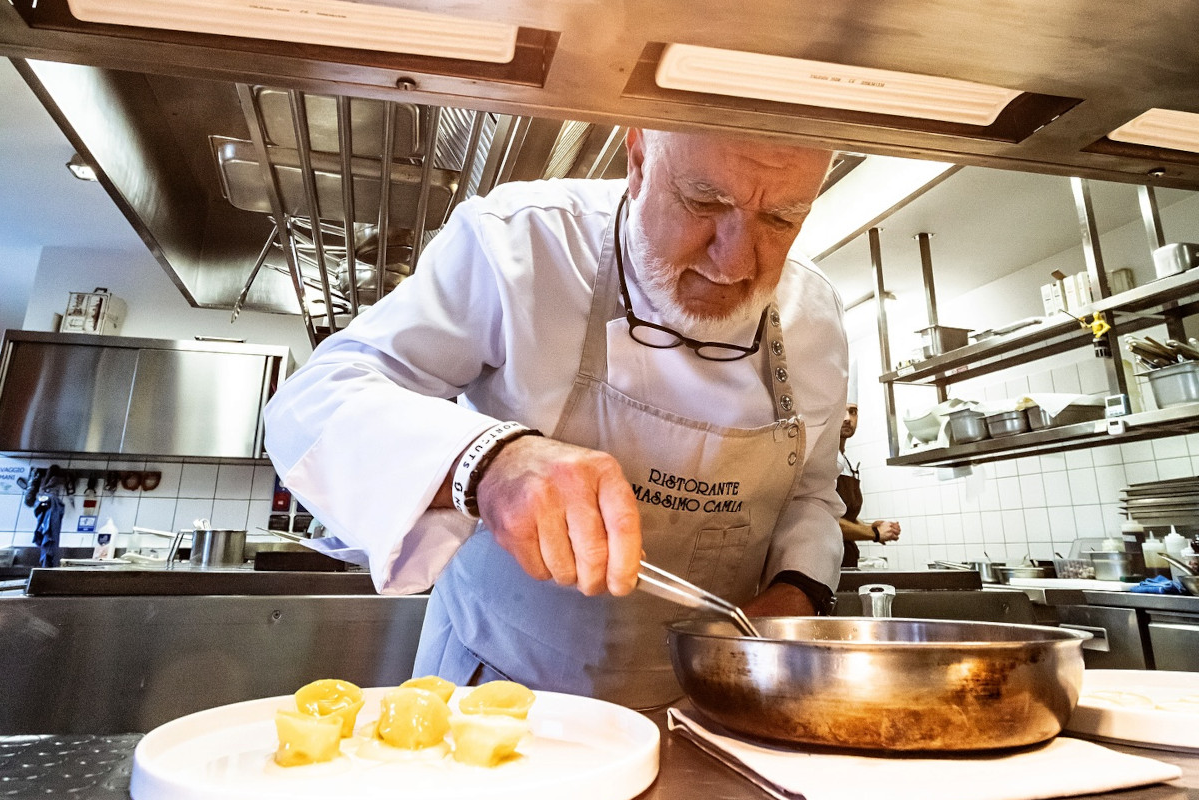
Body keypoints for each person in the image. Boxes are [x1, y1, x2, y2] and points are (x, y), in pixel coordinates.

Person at [263, 128, 848, 708]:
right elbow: (313, 402)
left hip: (708, 703)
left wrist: (794, 597)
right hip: (495, 694)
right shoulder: (521, 241)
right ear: (639, 157)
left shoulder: (813, 317)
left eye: (781, 220)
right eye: (704, 202)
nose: (736, 261)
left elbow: (811, 497)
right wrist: (490, 462)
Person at [837, 364, 900, 568]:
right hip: (827, 561)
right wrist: (872, 533)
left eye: (853, 412)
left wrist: (869, 526)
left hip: (846, 559)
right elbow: (826, 523)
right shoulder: (821, 461)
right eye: (841, 411)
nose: (848, 418)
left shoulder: (844, 461)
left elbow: (843, 517)